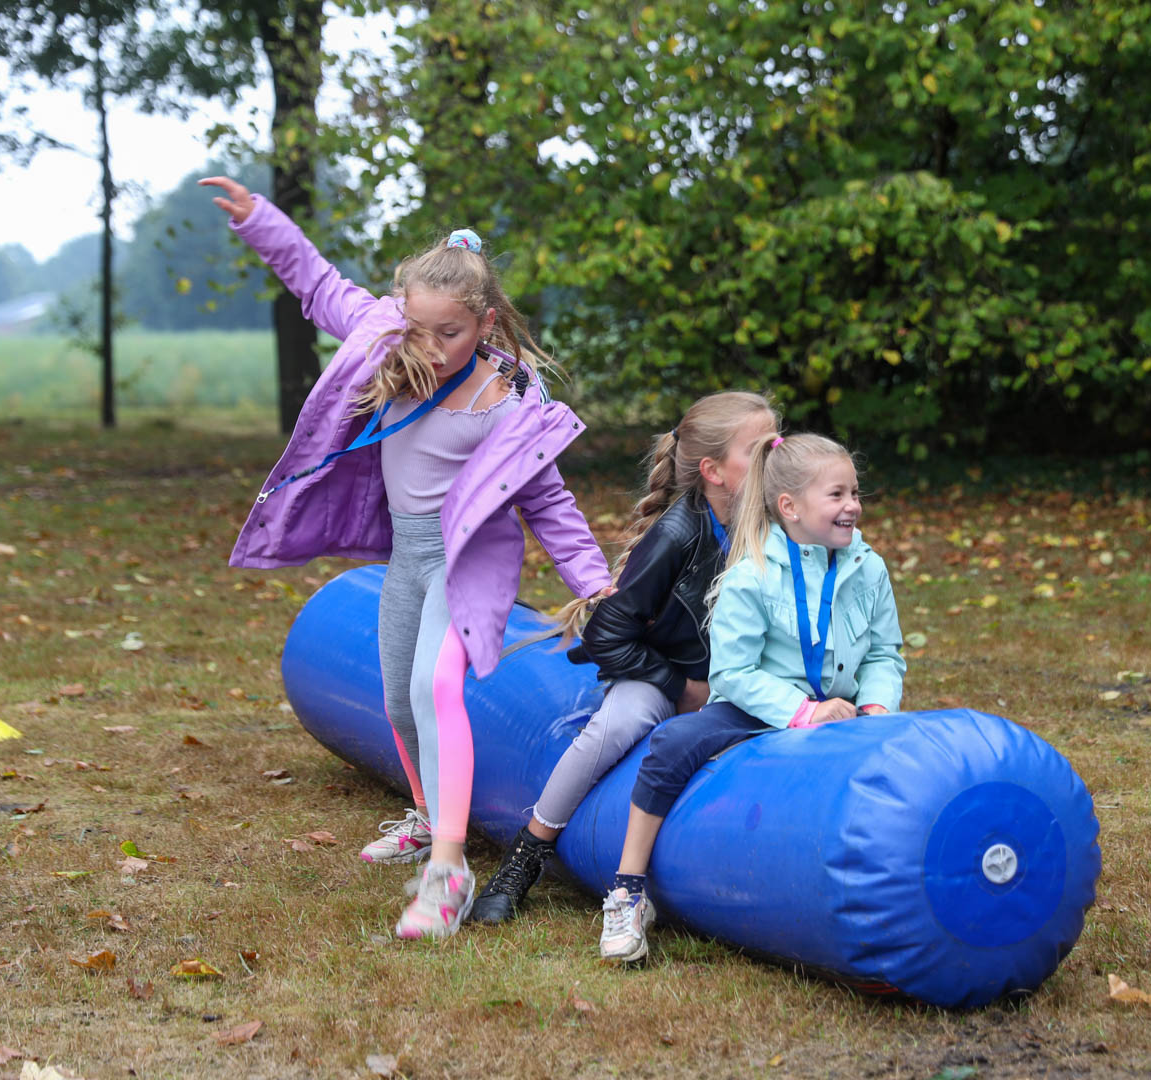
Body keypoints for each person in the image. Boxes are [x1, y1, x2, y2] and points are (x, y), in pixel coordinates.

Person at [201, 176, 613, 940]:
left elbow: (549, 504)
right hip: (407, 557)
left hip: (467, 562)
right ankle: (428, 817)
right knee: (397, 700)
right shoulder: (387, 339)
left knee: (435, 687)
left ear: (485, 323)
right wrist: (261, 221)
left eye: (449, 333)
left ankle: (448, 872)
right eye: (418, 330)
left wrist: (596, 585)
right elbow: (317, 283)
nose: (430, 347)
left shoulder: (508, 402)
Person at [466, 392, 780, 923]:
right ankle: (528, 852)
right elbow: (607, 636)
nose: (777, 455)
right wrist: (680, 688)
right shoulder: (677, 535)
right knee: (618, 725)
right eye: (760, 449)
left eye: (777, 442)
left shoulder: (776, 520)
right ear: (713, 471)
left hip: (739, 678)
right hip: (662, 676)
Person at [598, 433, 906, 963]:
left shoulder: (868, 567)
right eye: (837, 494)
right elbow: (734, 673)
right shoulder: (751, 574)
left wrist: (876, 709)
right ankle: (629, 888)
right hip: (754, 710)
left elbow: (883, 654)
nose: (853, 505)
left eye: (855, 493)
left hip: (844, 711)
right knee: (673, 744)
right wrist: (803, 712)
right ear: (790, 507)